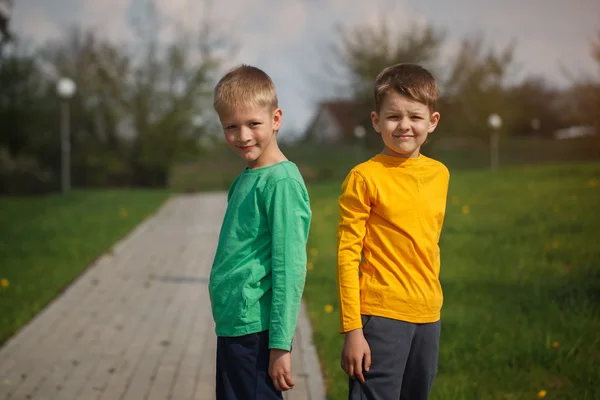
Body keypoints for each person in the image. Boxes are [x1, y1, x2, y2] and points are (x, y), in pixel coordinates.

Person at [336, 63, 449, 400]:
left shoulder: (440, 174)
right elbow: (346, 256)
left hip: (428, 315)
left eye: (415, 117)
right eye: (393, 117)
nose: (404, 126)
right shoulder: (364, 177)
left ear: (432, 121)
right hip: (381, 318)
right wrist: (353, 329)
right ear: (376, 121)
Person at [208, 64, 312, 400]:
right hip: (234, 326)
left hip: (258, 332)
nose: (243, 136)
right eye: (231, 127)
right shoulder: (244, 179)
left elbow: (289, 267)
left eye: (254, 124)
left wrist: (280, 345)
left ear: (276, 119)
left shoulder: (281, 183)